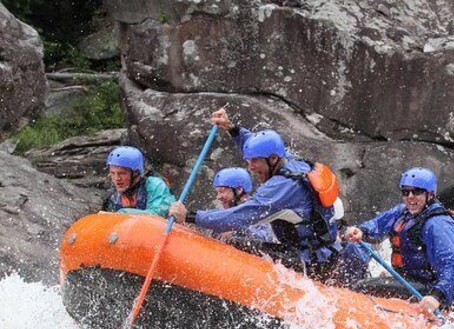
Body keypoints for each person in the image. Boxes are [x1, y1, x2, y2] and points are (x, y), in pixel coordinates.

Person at [169, 108, 340, 280]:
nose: (250, 167)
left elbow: (238, 217)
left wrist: (190, 216)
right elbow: (253, 143)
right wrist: (231, 128)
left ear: (272, 159)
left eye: (255, 161)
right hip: (321, 252)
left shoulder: (281, 188)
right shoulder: (290, 161)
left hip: (312, 262)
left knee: (238, 244)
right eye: (249, 161)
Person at [344, 167, 454, 317]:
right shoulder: (403, 211)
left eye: (416, 192)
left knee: (360, 287)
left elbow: (453, 265)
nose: (410, 197)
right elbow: (378, 225)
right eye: (405, 192)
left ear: (430, 194)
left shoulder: (438, 224)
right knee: (362, 275)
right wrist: (361, 231)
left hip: (430, 289)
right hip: (408, 280)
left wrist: (437, 295)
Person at [102, 146, 175, 217]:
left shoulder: (155, 185)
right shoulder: (112, 196)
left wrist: (122, 213)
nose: (117, 178)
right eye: (112, 173)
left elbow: (158, 215)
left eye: (122, 173)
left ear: (136, 173)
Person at [209, 167, 275, 244]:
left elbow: (266, 238)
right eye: (217, 192)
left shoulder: (256, 209)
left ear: (239, 190)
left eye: (222, 191)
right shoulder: (223, 211)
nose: (218, 197)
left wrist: (236, 233)